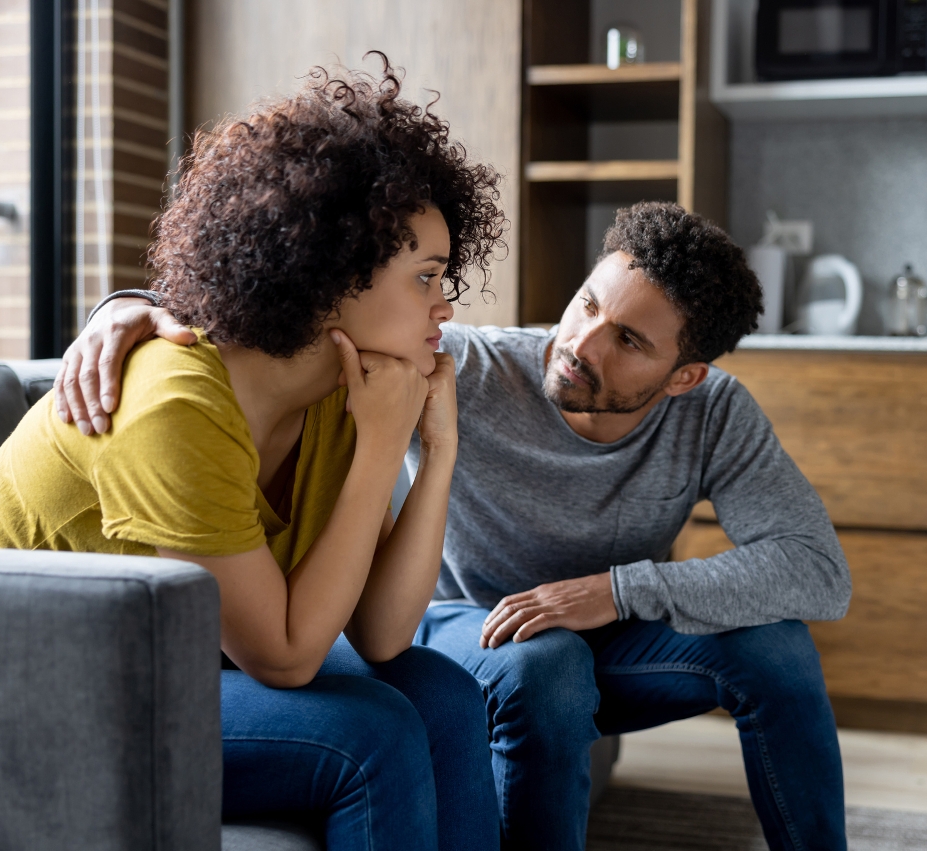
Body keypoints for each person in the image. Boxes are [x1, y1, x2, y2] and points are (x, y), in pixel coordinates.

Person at [57, 202, 854, 851]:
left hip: (604, 631)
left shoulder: (717, 416)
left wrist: (617, 591)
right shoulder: (471, 367)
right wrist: (130, 307)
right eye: (587, 305)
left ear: (685, 377)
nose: (580, 344)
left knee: (777, 648)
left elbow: (816, 569)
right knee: (547, 665)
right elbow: (294, 316)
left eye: (629, 340)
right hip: (459, 629)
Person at [0, 62, 506, 851]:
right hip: (20, 690)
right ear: (327, 271)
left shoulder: (339, 395)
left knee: (446, 695)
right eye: (425, 277)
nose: (445, 307)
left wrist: (437, 450)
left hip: (168, 662)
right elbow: (285, 657)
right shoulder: (173, 397)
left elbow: (384, 633)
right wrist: (384, 443)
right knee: (369, 731)